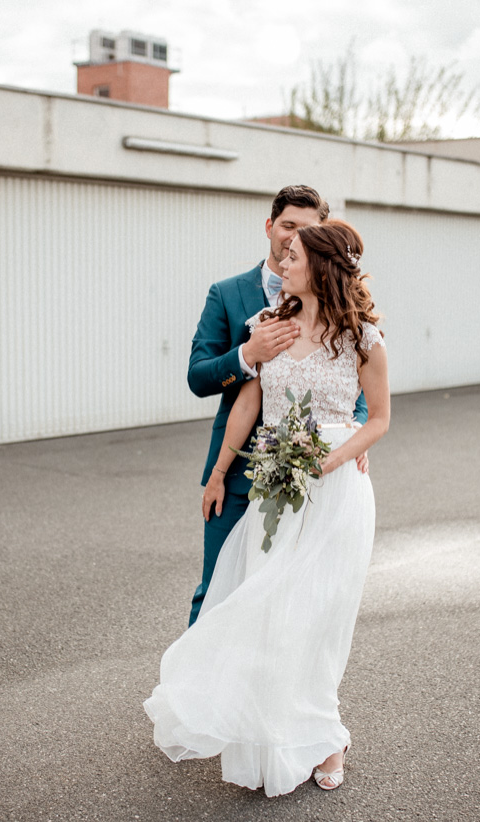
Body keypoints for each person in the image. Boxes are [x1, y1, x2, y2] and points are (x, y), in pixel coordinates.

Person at [145, 219, 390, 796]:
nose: (283, 258)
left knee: (318, 617)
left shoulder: (362, 338)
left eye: (296, 253)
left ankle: (327, 736)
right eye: (285, 248)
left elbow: (378, 418)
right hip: (274, 485)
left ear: (321, 266)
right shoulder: (267, 325)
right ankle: (272, 731)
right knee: (270, 611)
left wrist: (331, 459)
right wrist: (220, 470)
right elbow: (248, 402)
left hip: (334, 491)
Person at [185, 185, 367, 626]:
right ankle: (197, 689)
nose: (292, 238)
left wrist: (352, 435)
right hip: (236, 472)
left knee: (293, 595)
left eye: (307, 230)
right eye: (287, 225)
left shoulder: (343, 311)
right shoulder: (227, 294)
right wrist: (247, 355)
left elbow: (356, 393)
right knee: (218, 588)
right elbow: (198, 377)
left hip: (313, 476)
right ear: (270, 226)